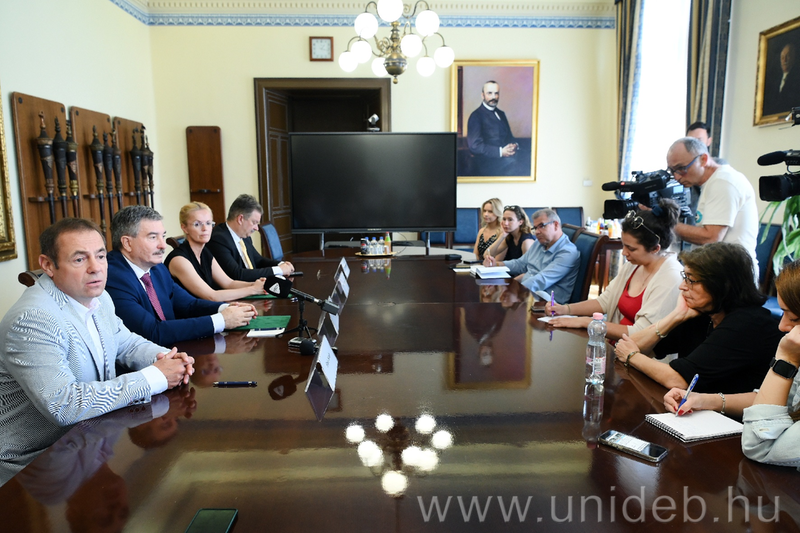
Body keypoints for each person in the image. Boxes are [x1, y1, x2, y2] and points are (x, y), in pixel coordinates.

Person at [0, 218, 195, 462]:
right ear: (48, 265)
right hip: (36, 460)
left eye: (101, 256)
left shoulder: (100, 297)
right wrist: (155, 377)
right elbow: (64, 405)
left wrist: (167, 358)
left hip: (91, 439)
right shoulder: (33, 318)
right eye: (79, 259)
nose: (96, 268)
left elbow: (126, 343)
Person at [661, 260, 800, 468]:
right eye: (783, 313)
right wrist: (705, 400)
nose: (782, 326)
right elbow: (773, 402)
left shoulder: (748, 323)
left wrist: (785, 361)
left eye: (794, 318)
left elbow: (760, 446)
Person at [614, 242, 782, 394]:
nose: (682, 286)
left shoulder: (748, 324)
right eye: (684, 277)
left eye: (691, 280)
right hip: (698, 410)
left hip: (733, 417)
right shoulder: (703, 313)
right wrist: (675, 316)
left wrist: (632, 356)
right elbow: (630, 346)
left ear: (721, 285)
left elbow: (678, 380)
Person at [106, 206, 257, 346]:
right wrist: (222, 320)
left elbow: (189, 305)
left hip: (175, 352)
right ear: (127, 243)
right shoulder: (113, 278)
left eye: (163, 236)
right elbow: (153, 332)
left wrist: (226, 308)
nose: (163, 245)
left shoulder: (158, 269)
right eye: (153, 237)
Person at [546, 200, 682, 341]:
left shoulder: (671, 278)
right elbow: (605, 301)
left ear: (655, 248)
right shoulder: (635, 264)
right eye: (624, 245)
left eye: (631, 248)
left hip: (637, 352)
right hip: (616, 346)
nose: (624, 252)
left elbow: (641, 332)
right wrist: (565, 309)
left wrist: (586, 322)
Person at [667, 137, 759, 272]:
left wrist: (666, 224)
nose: (677, 177)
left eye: (681, 168)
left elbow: (711, 237)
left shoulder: (722, 182)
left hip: (731, 273)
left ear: (703, 159)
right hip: (719, 269)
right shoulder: (713, 182)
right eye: (672, 170)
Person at [165, 202, 267, 301]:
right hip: (190, 312)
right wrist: (253, 289)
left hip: (206, 308)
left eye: (208, 223)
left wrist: (257, 284)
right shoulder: (179, 260)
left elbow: (228, 283)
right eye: (197, 224)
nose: (205, 228)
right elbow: (212, 296)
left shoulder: (204, 252)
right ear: (184, 228)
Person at [484, 209, 580, 303]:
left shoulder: (567, 252)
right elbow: (520, 264)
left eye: (541, 226)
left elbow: (540, 281)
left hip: (546, 301)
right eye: (535, 228)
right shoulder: (539, 243)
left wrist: (512, 289)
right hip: (528, 293)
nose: (537, 232)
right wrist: (496, 264)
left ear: (555, 225)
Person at [207, 194, 294, 282]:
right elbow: (237, 274)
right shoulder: (218, 239)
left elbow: (259, 261)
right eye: (254, 222)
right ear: (240, 219)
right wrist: (279, 270)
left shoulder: (245, 236)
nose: (256, 228)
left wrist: (281, 264)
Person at [466, 81, 523, 176]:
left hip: (507, 159)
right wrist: (500, 152)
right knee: (515, 165)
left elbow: (510, 137)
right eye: (490, 93)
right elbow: (475, 146)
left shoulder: (501, 114)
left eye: (496, 93)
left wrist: (514, 145)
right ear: (482, 95)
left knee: (525, 158)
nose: (494, 97)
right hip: (487, 163)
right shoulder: (476, 116)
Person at [764, 42, 800, 117]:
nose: (784, 60)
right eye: (782, 57)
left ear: (793, 57)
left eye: (787, 56)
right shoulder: (775, 82)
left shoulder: (797, 79)